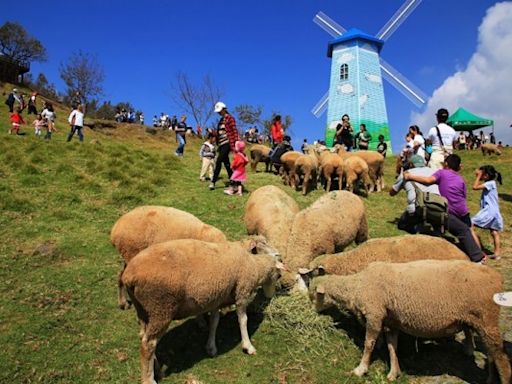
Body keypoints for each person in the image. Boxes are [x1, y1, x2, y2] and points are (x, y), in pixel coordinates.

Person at [397, 155, 486, 263]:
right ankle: (479, 253)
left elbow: (428, 180)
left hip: (450, 210)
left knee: (461, 230)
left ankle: (477, 258)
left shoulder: (441, 173)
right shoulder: (460, 178)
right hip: (463, 210)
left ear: (446, 164)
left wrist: (410, 177)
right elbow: (463, 195)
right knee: (467, 230)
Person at [471, 165, 503, 259]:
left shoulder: (490, 183)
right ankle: (497, 253)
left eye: (482, 174)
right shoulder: (491, 183)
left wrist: (478, 176)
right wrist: (480, 174)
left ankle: (478, 251)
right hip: (495, 211)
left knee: (470, 224)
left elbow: (475, 187)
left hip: (489, 211)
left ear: (487, 175)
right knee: (494, 232)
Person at [209, 101, 239, 191]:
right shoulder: (221, 120)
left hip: (228, 142)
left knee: (218, 161)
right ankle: (233, 181)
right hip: (221, 144)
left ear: (224, 109)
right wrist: (213, 132)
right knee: (226, 163)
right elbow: (220, 133)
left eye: (219, 111)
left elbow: (234, 131)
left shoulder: (230, 118)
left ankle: (213, 182)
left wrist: (235, 144)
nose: (218, 113)